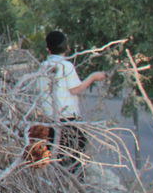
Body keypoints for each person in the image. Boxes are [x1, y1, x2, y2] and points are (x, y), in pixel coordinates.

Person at [40, 29, 106, 168]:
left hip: (49, 120)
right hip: (68, 120)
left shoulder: (43, 67)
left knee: (55, 160)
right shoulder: (66, 66)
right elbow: (75, 89)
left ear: (48, 49)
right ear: (67, 47)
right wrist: (93, 77)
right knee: (74, 159)